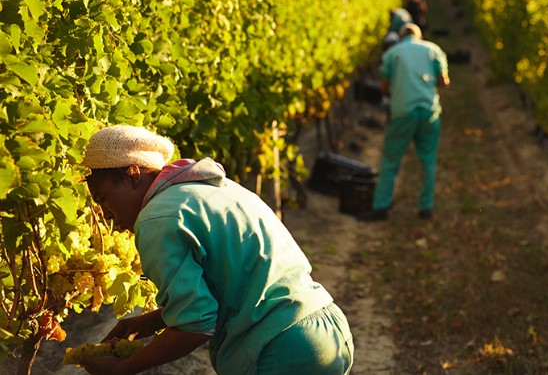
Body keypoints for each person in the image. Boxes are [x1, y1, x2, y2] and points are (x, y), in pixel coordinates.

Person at [78, 125, 353, 375]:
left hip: (279, 348)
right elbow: (239, 284)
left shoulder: (155, 219)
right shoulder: (212, 189)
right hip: (326, 330)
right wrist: (155, 320)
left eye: (103, 199)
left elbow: (196, 326)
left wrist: (121, 370)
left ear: (133, 175)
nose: (107, 216)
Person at [358, 24, 450, 221]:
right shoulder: (433, 50)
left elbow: (383, 87)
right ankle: (426, 207)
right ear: (419, 36)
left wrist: (399, 88)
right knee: (429, 161)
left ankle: (381, 207)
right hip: (429, 112)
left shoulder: (393, 53)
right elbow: (444, 80)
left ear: (401, 37)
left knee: (390, 160)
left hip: (403, 111)